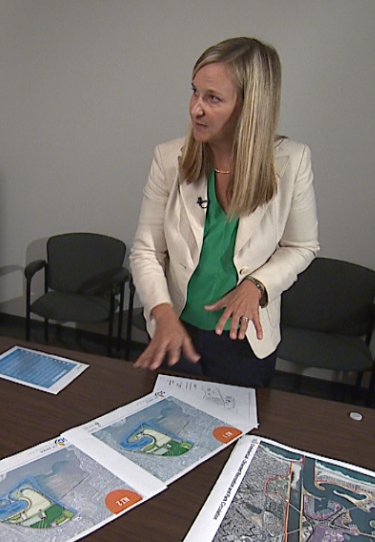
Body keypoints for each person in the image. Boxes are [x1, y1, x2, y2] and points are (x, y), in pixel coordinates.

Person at [130, 37, 319, 387]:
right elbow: (145, 251)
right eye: (194, 92)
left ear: (251, 107)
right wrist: (162, 311)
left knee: (234, 434)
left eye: (212, 98)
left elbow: (302, 246)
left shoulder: (291, 161)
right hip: (177, 332)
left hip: (244, 341)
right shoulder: (169, 158)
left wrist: (257, 286)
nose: (195, 109)